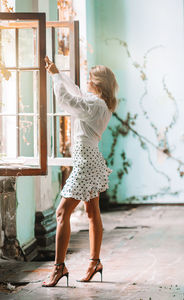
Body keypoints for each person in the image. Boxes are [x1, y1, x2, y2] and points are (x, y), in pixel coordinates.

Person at [42, 56, 119, 287]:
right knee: (92, 213)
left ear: (98, 83)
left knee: (61, 213)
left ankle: (58, 268)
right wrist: (57, 72)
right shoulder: (100, 103)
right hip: (92, 160)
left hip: (86, 164)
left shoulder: (94, 105)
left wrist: (55, 78)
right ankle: (94, 263)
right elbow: (75, 91)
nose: (86, 81)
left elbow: (66, 99)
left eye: (89, 79)